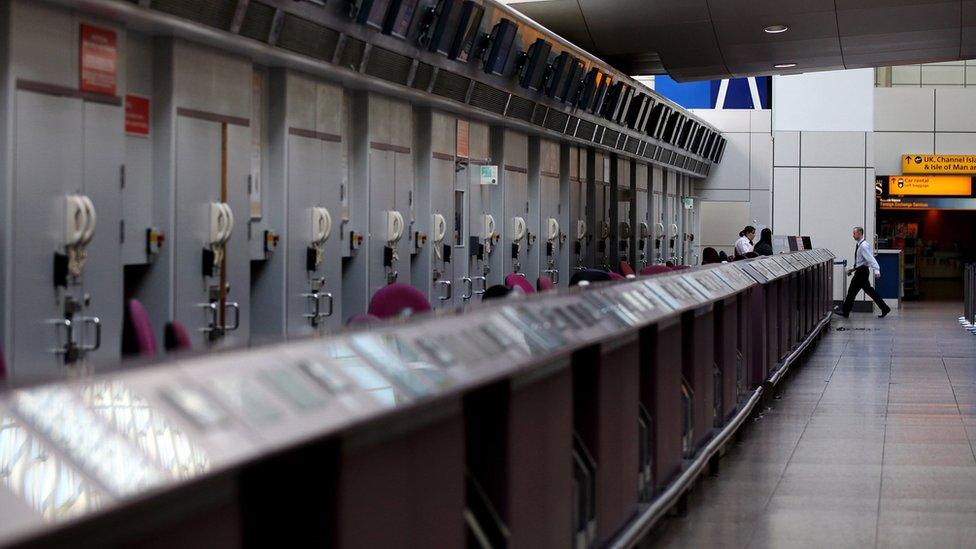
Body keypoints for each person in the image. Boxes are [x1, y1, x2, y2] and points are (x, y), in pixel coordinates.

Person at [835, 226, 891, 318]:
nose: (853, 235)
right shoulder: (860, 244)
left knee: (851, 292)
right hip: (861, 271)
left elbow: (870, 259)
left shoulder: (863, 246)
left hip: (861, 273)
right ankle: (884, 308)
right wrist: (853, 268)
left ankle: (845, 312)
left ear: (860, 233)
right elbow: (862, 261)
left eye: (854, 233)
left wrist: (877, 270)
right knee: (870, 291)